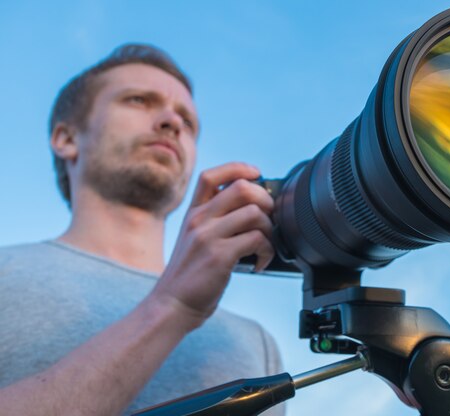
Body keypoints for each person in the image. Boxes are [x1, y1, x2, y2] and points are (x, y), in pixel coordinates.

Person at [0, 44, 284, 415]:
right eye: (138, 100)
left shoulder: (255, 342)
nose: (172, 122)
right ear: (67, 139)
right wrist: (170, 307)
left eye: (188, 121)